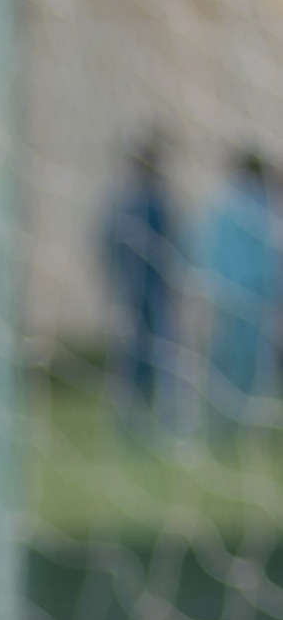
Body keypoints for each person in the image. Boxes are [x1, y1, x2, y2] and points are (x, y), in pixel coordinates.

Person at [191, 149, 279, 439]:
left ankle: (221, 423)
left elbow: (206, 251)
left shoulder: (223, 205)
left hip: (229, 294)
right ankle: (244, 425)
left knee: (227, 360)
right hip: (257, 294)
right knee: (250, 363)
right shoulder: (264, 206)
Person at [101, 133, 181, 436]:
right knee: (137, 353)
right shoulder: (129, 203)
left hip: (151, 290)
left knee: (154, 353)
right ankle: (133, 418)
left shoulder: (153, 201)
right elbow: (107, 244)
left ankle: (158, 417)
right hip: (139, 291)